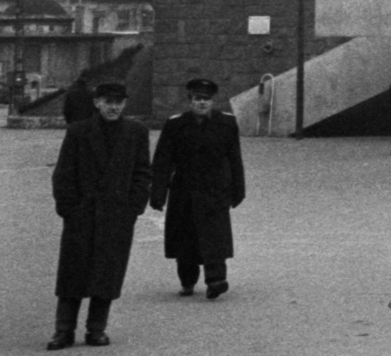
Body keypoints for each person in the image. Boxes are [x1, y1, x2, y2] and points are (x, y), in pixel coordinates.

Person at [48, 81, 151, 350]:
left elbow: (142, 173)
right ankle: (63, 330)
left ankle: (96, 329)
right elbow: (64, 174)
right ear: (97, 103)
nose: (114, 107)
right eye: (108, 102)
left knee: (107, 273)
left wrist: (133, 208)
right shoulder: (78, 132)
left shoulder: (136, 132)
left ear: (125, 104)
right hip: (82, 215)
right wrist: (69, 209)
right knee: (73, 273)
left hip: (117, 216)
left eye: (119, 102)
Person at [150, 77, 247, 299]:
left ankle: (216, 279)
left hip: (215, 190)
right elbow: (163, 161)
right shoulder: (175, 125)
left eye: (206, 99)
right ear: (190, 100)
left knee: (215, 237)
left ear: (213, 101)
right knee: (186, 239)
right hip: (184, 190)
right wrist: (157, 193)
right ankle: (187, 281)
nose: (202, 103)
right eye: (197, 99)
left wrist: (238, 189)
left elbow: (234, 158)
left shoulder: (226, 124)